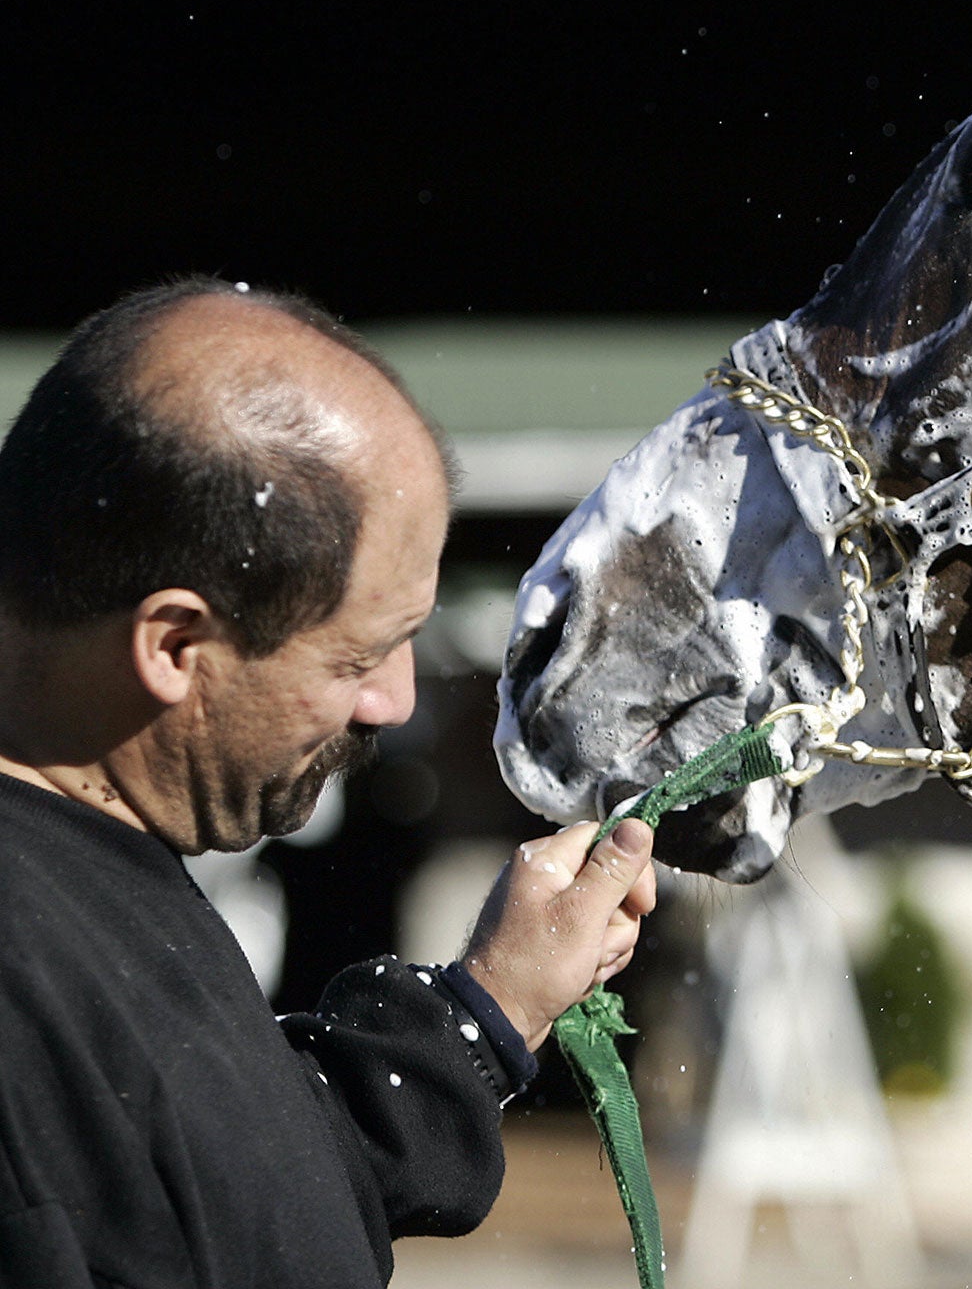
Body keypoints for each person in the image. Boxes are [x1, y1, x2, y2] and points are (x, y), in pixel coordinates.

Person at [0, 278, 658, 1285]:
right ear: (177, 644)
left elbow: (239, 1192)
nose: (391, 703)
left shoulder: (89, 854)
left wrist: (490, 1011)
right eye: (358, 659)